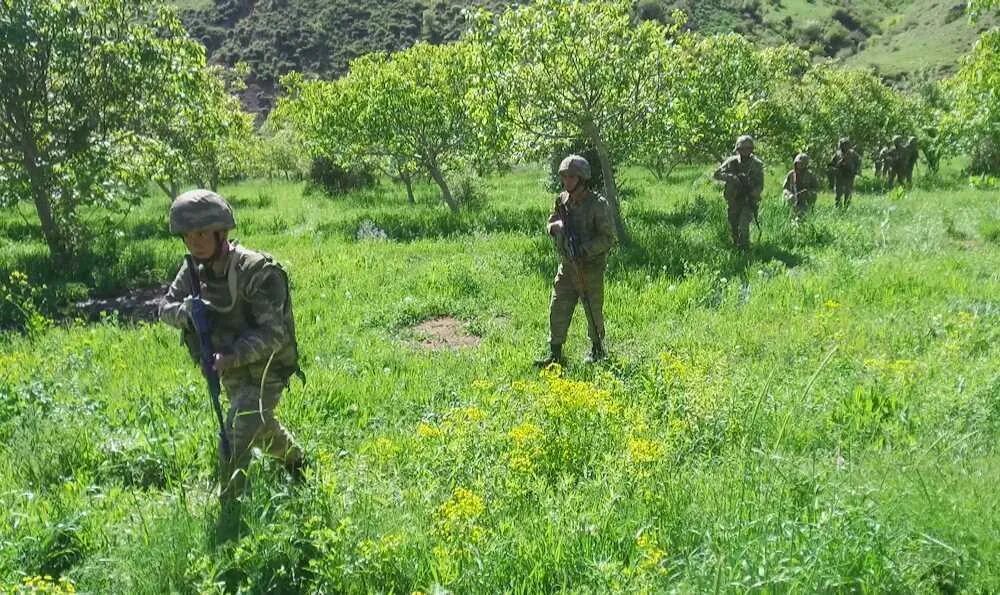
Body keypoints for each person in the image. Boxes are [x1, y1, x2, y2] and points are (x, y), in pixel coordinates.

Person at [159, 189, 305, 538]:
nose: (194, 242)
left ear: (220, 233)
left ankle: (230, 521)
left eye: (202, 234)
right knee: (257, 426)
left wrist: (230, 356)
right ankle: (296, 462)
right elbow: (164, 309)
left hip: (266, 369)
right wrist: (186, 312)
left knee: (233, 440)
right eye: (188, 235)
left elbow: (275, 335)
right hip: (230, 372)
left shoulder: (257, 271)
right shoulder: (192, 271)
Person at [534, 155, 616, 367]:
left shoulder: (597, 205)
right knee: (558, 307)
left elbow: (608, 238)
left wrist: (584, 250)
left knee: (592, 310)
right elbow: (552, 221)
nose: (567, 181)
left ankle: (597, 351)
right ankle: (555, 354)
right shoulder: (562, 200)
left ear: (582, 178)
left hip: (590, 267)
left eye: (571, 176)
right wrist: (554, 227)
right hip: (567, 266)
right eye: (564, 176)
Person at [713, 135, 764, 251]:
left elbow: (760, 185)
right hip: (733, 199)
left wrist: (753, 193)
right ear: (738, 149)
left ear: (751, 149)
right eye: (742, 149)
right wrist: (731, 178)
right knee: (733, 225)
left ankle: (745, 250)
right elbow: (716, 175)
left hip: (747, 199)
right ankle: (736, 248)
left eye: (748, 148)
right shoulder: (731, 162)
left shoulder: (756, 164)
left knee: (743, 225)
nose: (745, 151)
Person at [782, 153, 820, 221]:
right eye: (798, 163)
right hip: (792, 200)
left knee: (802, 217)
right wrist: (790, 195)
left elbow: (816, 188)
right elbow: (785, 188)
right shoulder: (791, 174)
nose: (800, 165)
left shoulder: (810, 175)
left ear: (806, 164)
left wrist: (808, 193)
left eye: (802, 164)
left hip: (805, 201)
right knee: (790, 216)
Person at [828, 137, 862, 207]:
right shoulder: (837, 154)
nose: (845, 146)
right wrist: (837, 167)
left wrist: (856, 170)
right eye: (843, 144)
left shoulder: (853, 154)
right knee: (838, 193)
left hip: (849, 176)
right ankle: (838, 207)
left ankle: (846, 207)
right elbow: (830, 165)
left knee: (848, 193)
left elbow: (858, 162)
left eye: (846, 144)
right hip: (839, 176)